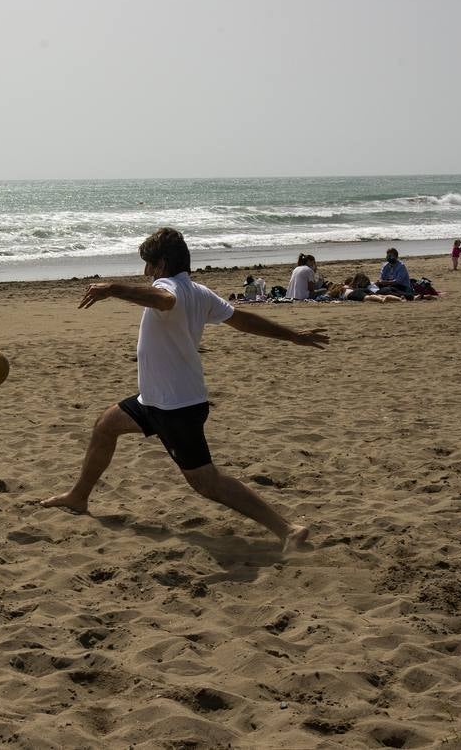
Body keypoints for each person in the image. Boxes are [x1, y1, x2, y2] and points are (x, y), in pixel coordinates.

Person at [41, 228, 328, 549]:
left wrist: (113, 289)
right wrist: (293, 335)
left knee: (207, 482)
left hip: (174, 408)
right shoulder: (200, 292)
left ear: (161, 264)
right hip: (154, 400)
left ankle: (287, 529)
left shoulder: (170, 287)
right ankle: (79, 496)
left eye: (148, 265)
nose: (145, 272)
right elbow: (242, 320)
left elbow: (165, 300)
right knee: (105, 426)